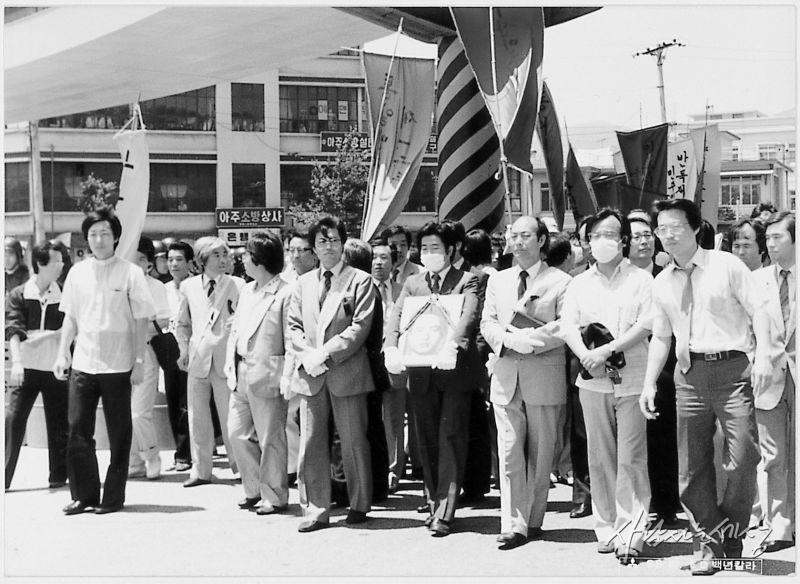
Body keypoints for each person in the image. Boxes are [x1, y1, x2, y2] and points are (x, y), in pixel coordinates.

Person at [640, 198, 773, 576]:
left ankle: (730, 530)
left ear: (696, 228)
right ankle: (709, 545)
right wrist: (649, 383)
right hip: (689, 376)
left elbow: (759, 308)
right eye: (661, 229)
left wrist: (761, 355)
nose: (667, 235)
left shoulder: (725, 264)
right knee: (692, 467)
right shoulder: (662, 282)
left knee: (745, 456)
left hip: (733, 370)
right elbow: (662, 337)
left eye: (675, 227)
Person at [561, 209, 653, 563]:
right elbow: (568, 325)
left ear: (624, 240)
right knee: (599, 457)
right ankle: (607, 527)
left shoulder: (642, 280)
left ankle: (633, 530)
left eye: (611, 234)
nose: (603, 241)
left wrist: (608, 351)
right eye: (597, 234)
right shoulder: (579, 283)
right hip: (593, 381)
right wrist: (587, 355)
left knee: (631, 457)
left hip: (632, 379)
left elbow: (646, 324)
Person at [54, 207, 155, 515]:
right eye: (93, 234)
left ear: (115, 238)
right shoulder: (77, 272)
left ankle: (112, 497)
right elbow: (70, 316)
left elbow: (141, 320)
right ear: (87, 239)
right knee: (77, 430)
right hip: (84, 362)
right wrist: (63, 351)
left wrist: (139, 360)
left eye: (105, 234)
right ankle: (84, 495)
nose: (99, 240)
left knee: (119, 433)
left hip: (119, 364)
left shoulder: (131, 272)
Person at [480, 215, 571, 550]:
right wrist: (506, 341)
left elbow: (565, 325)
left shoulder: (561, 281)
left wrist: (531, 340)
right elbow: (487, 321)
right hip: (506, 373)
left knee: (540, 451)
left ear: (542, 240)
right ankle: (513, 523)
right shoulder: (498, 280)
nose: (517, 242)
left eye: (524, 236)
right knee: (509, 451)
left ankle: (533, 519)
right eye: (512, 235)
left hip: (542, 373)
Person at [384, 220, 480, 537]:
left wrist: (455, 344)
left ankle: (444, 511)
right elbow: (397, 316)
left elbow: (468, 316)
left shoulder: (468, 280)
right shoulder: (413, 283)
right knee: (426, 441)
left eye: (435, 248)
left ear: (452, 250)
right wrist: (391, 346)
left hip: (453, 372)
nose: (428, 253)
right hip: (420, 372)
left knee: (450, 438)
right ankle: (432, 500)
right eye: (424, 248)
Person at [287, 215, 376, 532]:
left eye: (334, 240)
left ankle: (360, 502)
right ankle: (315, 508)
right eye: (322, 241)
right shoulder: (302, 283)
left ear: (344, 243)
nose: (328, 246)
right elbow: (293, 326)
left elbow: (360, 327)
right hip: (310, 373)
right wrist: (308, 354)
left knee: (353, 440)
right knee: (310, 443)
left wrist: (326, 353)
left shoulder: (360, 280)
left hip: (345, 370)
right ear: (313, 246)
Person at [224, 232, 291, 515]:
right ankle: (253, 489)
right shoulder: (247, 290)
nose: (241, 260)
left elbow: (291, 338)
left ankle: (274, 496)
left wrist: (287, 375)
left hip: (268, 372)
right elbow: (237, 329)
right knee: (236, 432)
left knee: (270, 438)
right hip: (240, 370)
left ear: (259, 260)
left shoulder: (286, 292)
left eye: (246, 255)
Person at [627, 213, 681, 527]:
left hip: (664, 368)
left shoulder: (668, 274)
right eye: (636, 236)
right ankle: (632, 505)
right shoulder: (618, 277)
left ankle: (665, 504)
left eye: (649, 234)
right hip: (624, 368)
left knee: (662, 436)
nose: (645, 241)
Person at [176, 237, 241, 487]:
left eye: (225, 254)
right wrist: (183, 348)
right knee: (197, 417)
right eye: (216, 255)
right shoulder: (189, 287)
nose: (223, 259)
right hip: (197, 358)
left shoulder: (238, 285)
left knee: (230, 417)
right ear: (202, 259)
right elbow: (182, 322)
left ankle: (239, 466)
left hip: (226, 361)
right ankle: (201, 469)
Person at [5, 241, 67, 491]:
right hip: (26, 367)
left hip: (56, 368)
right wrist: (17, 362)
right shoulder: (18, 294)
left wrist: (41, 335)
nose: (61, 265)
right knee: (13, 420)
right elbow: (14, 330)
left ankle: (58, 476)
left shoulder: (63, 293)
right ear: (40, 264)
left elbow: (69, 329)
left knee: (59, 422)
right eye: (56, 261)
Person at [752, 211, 795, 553]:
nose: (770, 243)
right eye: (767, 238)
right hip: (768, 377)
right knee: (773, 454)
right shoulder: (757, 280)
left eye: (777, 236)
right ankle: (779, 526)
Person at [342, 238, 390, 504]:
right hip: (370, 366)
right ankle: (377, 485)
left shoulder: (364, 288)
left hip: (366, 367)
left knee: (369, 428)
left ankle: (376, 486)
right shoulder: (368, 286)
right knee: (372, 427)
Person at [127, 236, 171, 480]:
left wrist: (138, 328)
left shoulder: (156, 287)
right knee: (123, 412)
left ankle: (152, 455)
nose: (136, 265)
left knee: (138, 412)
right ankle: (133, 463)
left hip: (145, 352)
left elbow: (162, 321)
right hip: (119, 354)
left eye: (141, 259)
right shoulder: (118, 285)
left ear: (149, 262)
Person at [282, 228, 319, 487]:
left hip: (315, 358)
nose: (295, 256)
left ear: (314, 254)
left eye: (301, 250)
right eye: (291, 250)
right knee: (289, 418)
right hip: (289, 358)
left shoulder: (320, 282)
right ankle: (293, 468)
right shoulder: (284, 282)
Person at [371, 238, 405, 493]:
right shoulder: (361, 290)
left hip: (395, 360)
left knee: (394, 418)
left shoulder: (403, 290)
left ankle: (394, 470)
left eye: (384, 257)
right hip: (370, 361)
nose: (378, 262)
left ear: (394, 262)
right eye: (374, 257)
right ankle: (377, 469)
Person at [162, 241, 194, 472]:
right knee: (174, 403)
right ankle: (181, 451)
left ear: (190, 263)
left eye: (179, 259)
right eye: (170, 259)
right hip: (169, 349)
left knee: (187, 404)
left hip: (193, 351)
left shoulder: (196, 287)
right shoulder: (163, 290)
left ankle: (184, 455)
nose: (173, 264)